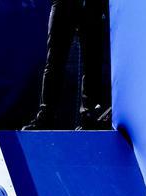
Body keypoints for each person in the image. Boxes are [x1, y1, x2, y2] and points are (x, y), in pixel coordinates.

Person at [23, 0, 109, 130]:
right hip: (65, 4)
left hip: (93, 5)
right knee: (54, 60)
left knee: (92, 62)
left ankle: (88, 116)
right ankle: (46, 118)